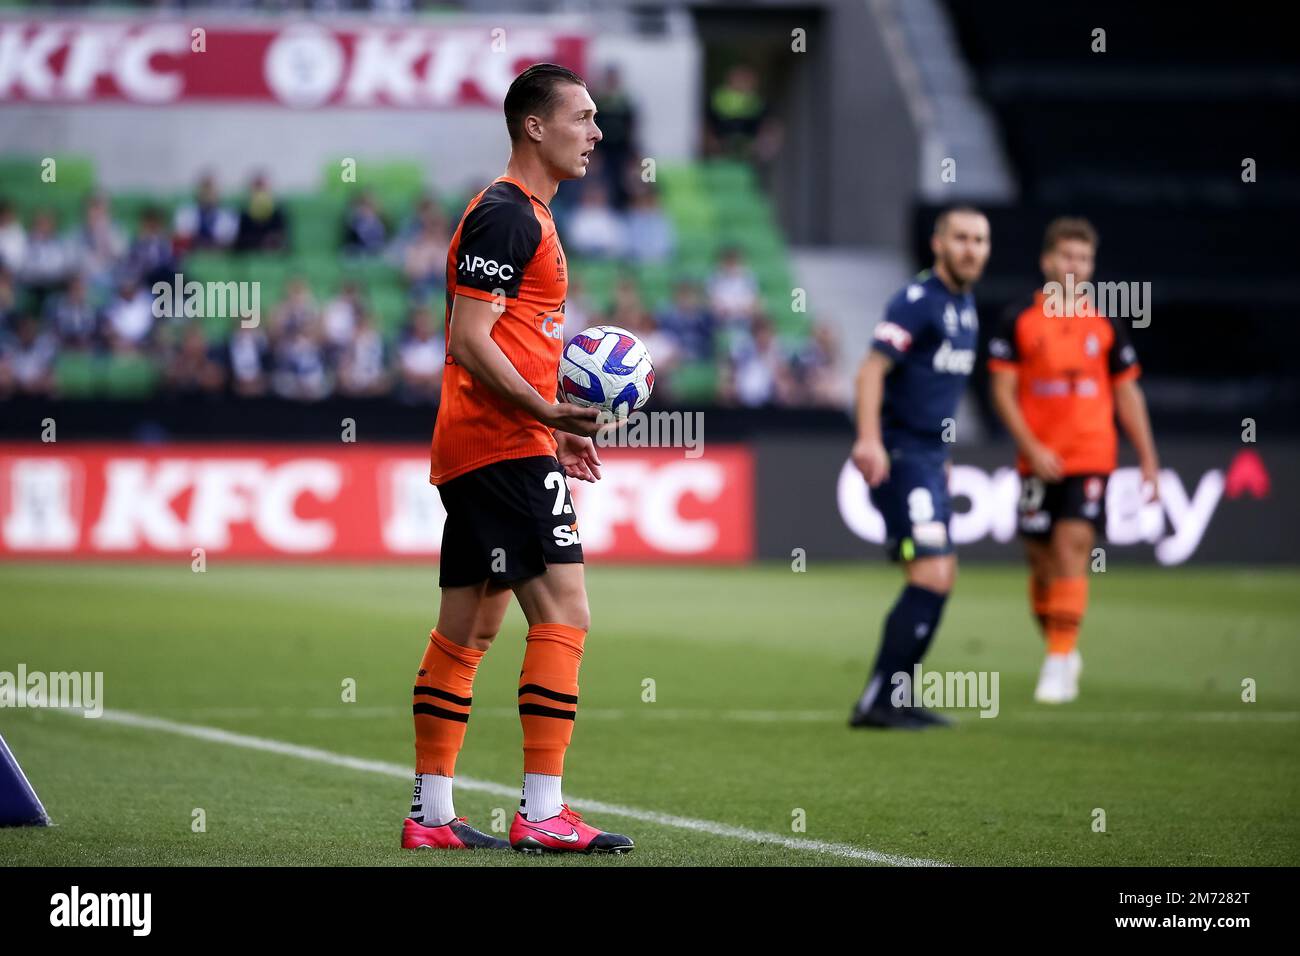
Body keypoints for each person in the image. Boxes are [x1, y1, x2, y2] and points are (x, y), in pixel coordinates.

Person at [401, 63, 633, 855]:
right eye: (583, 117)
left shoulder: (523, 213)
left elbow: (508, 342)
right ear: (534, 125)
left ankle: (431, 816)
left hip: (489, 443)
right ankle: (542, 810)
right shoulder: (507, 214)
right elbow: (469, 341)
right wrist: (540, 413)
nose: (596, 133)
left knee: (467, 631)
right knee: (566, 613)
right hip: (502, 443)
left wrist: (556, 427)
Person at [988, 217, 1159, 703]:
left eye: (1083, 259)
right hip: (1038, 459)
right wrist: (1032, 447)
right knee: (1040, 562)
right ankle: (1060, 645)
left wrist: (1148, 459)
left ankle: (1059, 661)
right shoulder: (1018, 316)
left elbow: (1128, 395)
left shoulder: (1105, 323)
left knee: (1070, 548)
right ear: (1047, 261)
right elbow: (1002, 392)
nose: (1074, 266)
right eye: (1066, 256)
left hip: (1091, 455)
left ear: (1091, 267)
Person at [848, 206, 990, 729]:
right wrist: (869, 440)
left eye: (979, 239)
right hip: (901, 454)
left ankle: (895, 697)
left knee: (939, 574)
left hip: (928, 458)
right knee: (930, 571)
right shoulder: (918, 300)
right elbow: (871, 370)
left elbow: (936, 393)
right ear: (939, 243)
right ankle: (878, 701)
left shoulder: (966, 305)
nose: (971, 248)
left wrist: (942, 458)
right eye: (961, 238)